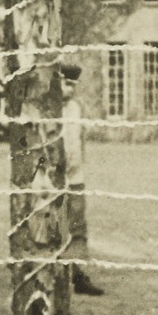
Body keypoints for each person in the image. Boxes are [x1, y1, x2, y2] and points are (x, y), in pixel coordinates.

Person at [60, 64, 105, 296]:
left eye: (71, 85)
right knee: (50, 227)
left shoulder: (77, 108)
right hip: (50, 181)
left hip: (74, 178)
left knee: (76, 226)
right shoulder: (47, 110)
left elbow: (80, 141)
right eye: (64, 83)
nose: (67, 89)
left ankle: (77, 275)